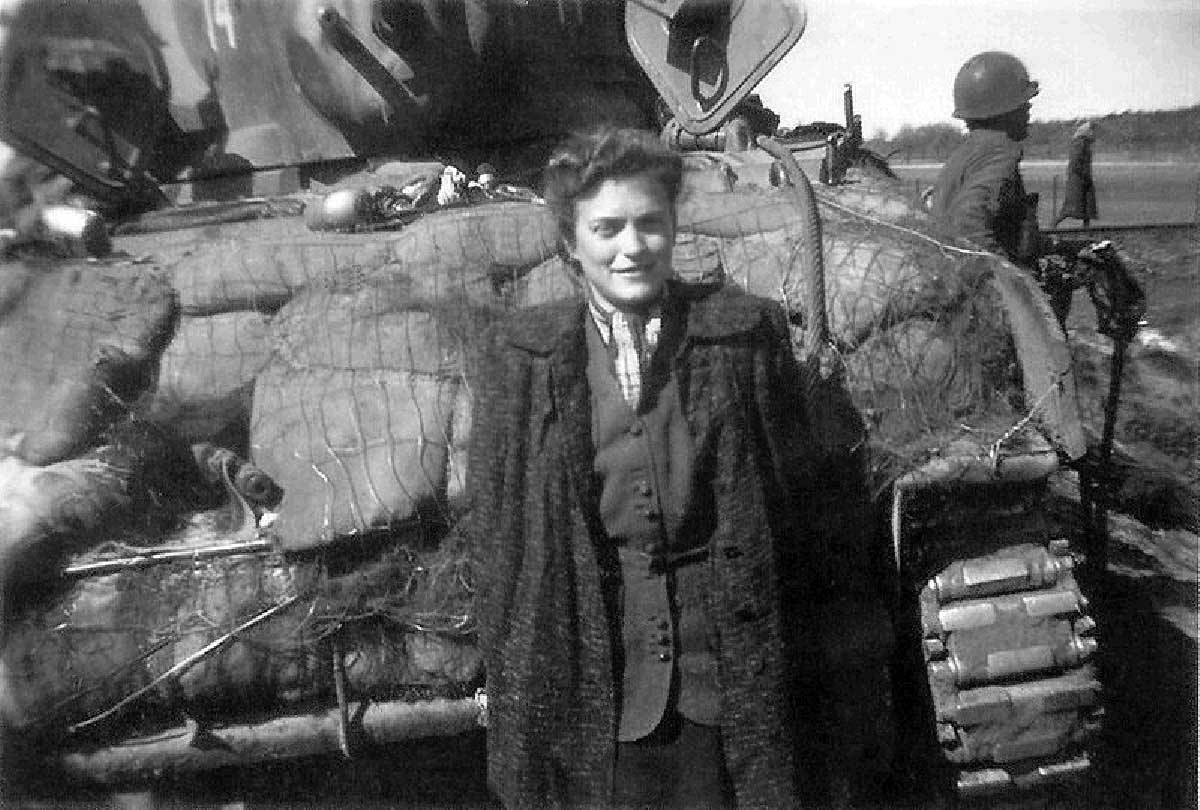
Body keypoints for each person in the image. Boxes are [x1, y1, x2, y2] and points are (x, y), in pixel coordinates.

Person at [462, 126, 868, 807]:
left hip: (728, 678)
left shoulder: (742, 338)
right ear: (571, 243)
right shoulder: (521, 360)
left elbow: (795, 514)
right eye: (606, 228)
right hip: (599, 685)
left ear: (674, 228)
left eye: (650, 223)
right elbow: (501, 540)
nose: (632, 247)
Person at [931, 51, 1041, 267]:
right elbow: (968, 225)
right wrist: (1012, 278)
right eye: (1022, 103)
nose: (1028, 108)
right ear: (1003, 109)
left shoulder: (967, 153)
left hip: (948, 271)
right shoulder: (999, 152)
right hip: (975, 279)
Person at [1055, 121, 1098, 228]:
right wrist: (1083, 174)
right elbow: (1075, 162)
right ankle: (1054, 224)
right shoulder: (1079, 143)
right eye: (1091, 131)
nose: (1093, 133)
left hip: (1083, 177)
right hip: (1077, 179)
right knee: (1072, 205)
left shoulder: (1085, 143)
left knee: (1087, 205)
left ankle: (1086, 228)